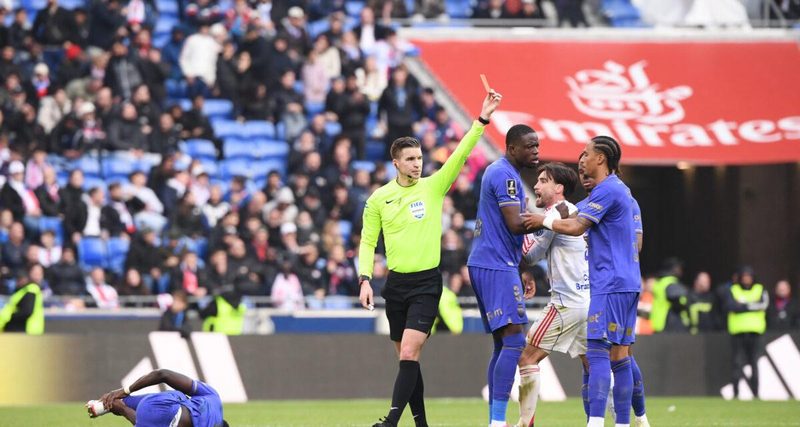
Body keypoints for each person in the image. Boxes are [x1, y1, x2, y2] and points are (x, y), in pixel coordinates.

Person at [358, 90, 503, 427]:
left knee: (409, 352)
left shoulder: (433, 186)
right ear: (396, 162)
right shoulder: (379, 199)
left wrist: (482, 119)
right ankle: (421, 423)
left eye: (419, 158)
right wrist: (364, 278)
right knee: (408, 360)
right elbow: (367, 242)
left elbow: (463, 152)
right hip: (395, 285)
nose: (417, 163)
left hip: (426, 283)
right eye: (410, 159)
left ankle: (391, 421)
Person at [522, 136, 641, 427]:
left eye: (586, 155)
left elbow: (569, 231)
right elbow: (637, 242)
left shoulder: (596, 196)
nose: (582, 162)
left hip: (595, 290)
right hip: (624, 283)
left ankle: (587, 423)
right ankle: (632, 421)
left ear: (601, 158)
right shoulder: (623, 194)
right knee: (619, 358)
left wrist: (537, 222)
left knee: (589, 354)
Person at [466, 121, 541, 427]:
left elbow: (507, 230)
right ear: (512, 148)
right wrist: (552, 219)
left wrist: (523, 268)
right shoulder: (503, 174)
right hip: (495, 265)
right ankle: (497, 422)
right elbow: (514, 224)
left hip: (498, 263)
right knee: (514, 341)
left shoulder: (508, 175)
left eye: (537, 145)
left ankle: (496, 421)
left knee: (504, 344)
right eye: (530, 146)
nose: (536, 151)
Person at [515, 162, 585, 427]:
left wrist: (517, 219)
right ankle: (625, 420)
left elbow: (529, 255)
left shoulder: (555, 214)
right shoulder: (579, 212)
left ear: (559, 188)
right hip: (590, 302)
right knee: (596, 367)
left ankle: (525, 424)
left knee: (527, 357)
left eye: (543, 180)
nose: (536, 185)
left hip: (566, 303)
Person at [89, 369, 228, 427]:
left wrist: (125, 390)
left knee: (179, 396)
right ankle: (120, 407)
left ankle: (105, 405)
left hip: (169, 399)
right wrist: (124, 411)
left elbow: (163, 374)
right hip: (163, 415)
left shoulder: (213, 397)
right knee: (124, 408)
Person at [725, 265, 768, 399]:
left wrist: (743, 304)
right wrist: (751, 305)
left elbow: (763, 305)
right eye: (744, 277)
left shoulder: (760, 289)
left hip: (755, 332)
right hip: (738, 333)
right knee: (737, 363)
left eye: (749, 277)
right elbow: (731, 306)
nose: (746, 279)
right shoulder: (733, 290)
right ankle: (736, 393)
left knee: (754, 364)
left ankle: (755, 394)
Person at [0, 265, 44, 334]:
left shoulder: (31, 290)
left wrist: (11, 317)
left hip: (26, 330)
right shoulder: (25, 291)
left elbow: (27, 312)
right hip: (29, 330)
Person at [651, 258, 690, 333]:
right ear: (674, 269)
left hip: (658, 323)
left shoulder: (661, 282)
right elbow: (675, 297)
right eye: (679, 268)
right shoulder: (671, 283)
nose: (681, 270)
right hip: (670, 325)